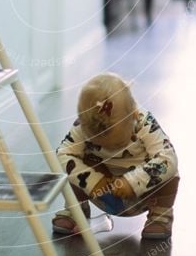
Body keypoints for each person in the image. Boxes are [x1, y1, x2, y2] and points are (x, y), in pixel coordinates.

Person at [53, 73, 179, 240]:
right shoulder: (82, 126)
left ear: (133, 116)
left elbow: (168, 157)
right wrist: (93, 181)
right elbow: (62, 153)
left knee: (169, 172)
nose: (110, 149)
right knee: (71, 162)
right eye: (100, 143)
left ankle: (160, 215)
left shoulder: (144, 122)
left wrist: (133, 181)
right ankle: (75, 208)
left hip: (143, 194)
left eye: (118, 143)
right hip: (99, 190)